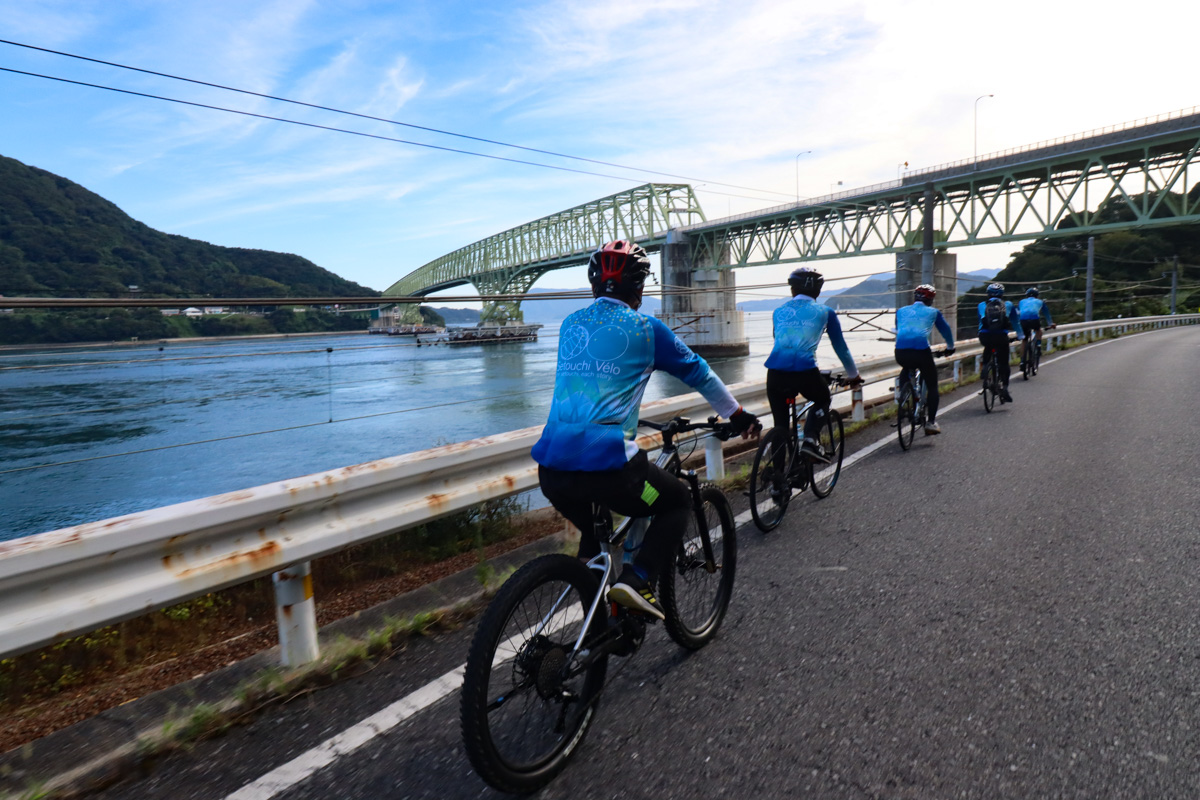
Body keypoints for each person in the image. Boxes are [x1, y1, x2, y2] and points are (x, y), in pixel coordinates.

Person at [532, 240, 759, 620]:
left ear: (593, 286)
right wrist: (736, 414)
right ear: (639, 289)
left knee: (593, 535)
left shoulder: (571, 325)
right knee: (678, 501)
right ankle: (637, 580)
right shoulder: (647, 329)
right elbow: (699, 372)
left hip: (553, 470)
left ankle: (597, 625)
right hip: (613, 473)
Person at [764, 267, 862, 461]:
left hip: (774, 373)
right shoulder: (826, 312)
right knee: (823, 398)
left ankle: (777, 484)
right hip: (804, 372)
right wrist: (854, 375)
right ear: (818, 291)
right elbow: (840, 348)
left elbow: (778, 338)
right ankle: (810, 440)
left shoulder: (778, 311)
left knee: (780, 426)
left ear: (792, 290)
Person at [894, 284, 955, 434]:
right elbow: (945, 330)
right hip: (921, 351)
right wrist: (950, 346)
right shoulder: (933, 312)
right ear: (931, 299)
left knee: (906, 368)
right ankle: (931, 423)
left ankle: (903, 400)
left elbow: (898, 328)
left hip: (900, 351)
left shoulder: (901, 311)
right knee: (932, 384)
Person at [976, 282, 1023, 403]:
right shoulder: (1008, 304)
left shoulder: (981, 304)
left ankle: (985, 370)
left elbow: (981, 322)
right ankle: (1005, 387)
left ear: (988, 293)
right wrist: (1020, 335)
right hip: (1001, 336)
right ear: (1002, 294)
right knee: (1003, 362)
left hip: (985, 335)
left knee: (988, 347)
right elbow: (1015, 322)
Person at [1017, 287, 1056, 368]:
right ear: (1037, 296)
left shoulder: (1021, 302)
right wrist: (1051, 323)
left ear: (1026, 296)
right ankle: (1038, 346)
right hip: (1034, 319)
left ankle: (1022, 361)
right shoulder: (1040, 302)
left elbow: (1017, 313)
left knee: (1024, 340)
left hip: (1023, 320)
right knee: (1038, 330)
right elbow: (1047, 314)